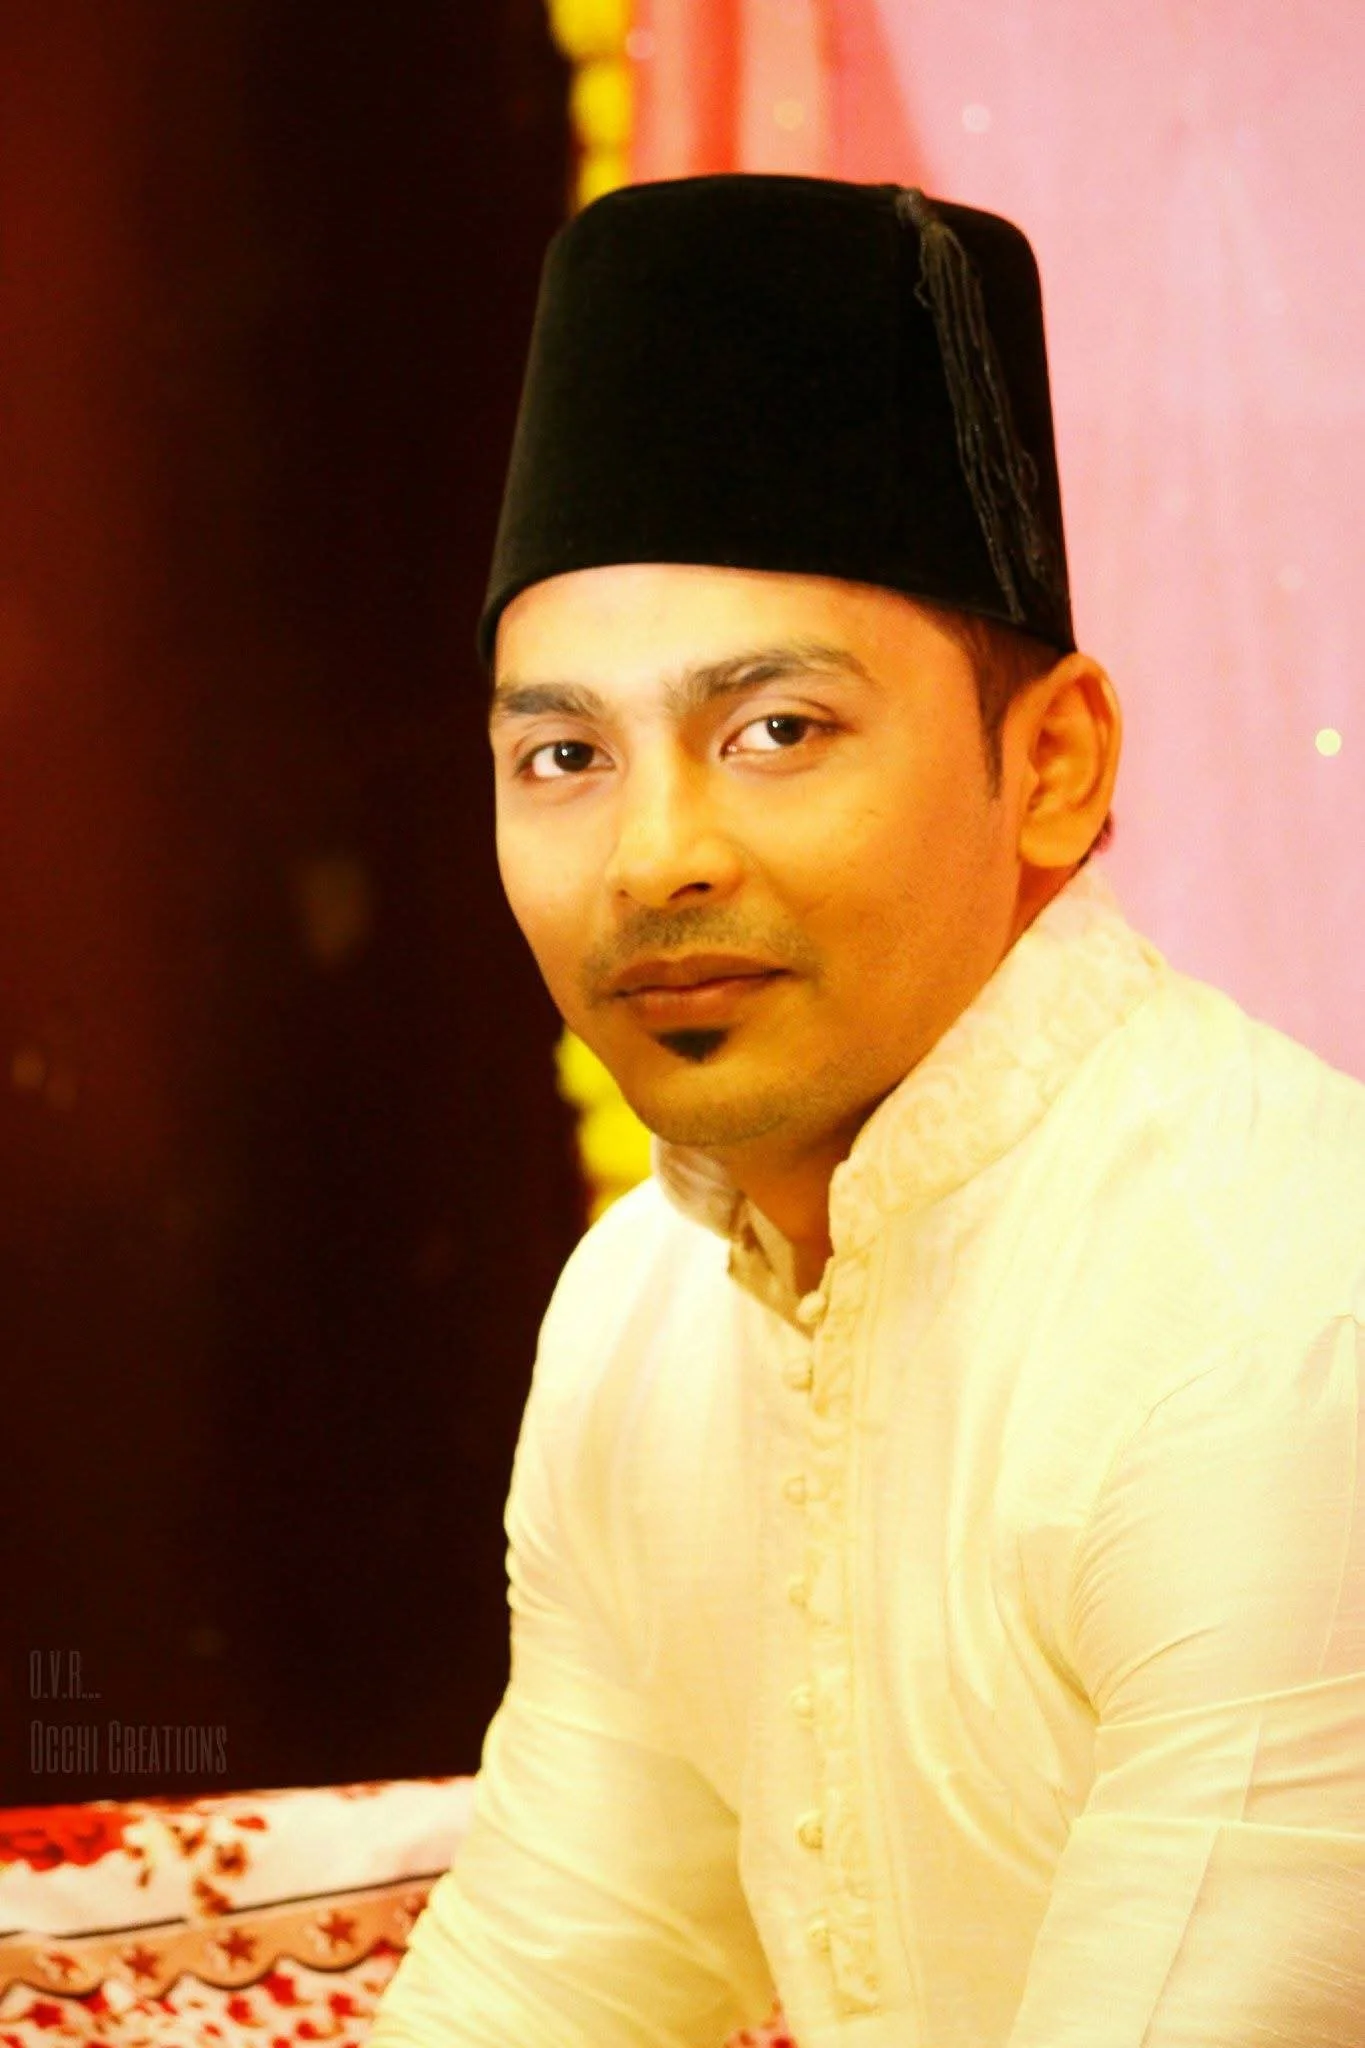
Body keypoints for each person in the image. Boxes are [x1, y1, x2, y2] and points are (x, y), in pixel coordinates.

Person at [371, 175, 1365, 2047]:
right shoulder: (636, 1322)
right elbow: (551, 1983)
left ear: (1053, 765)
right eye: (563, 755)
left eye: (776, 732)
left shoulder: (1285, 1331)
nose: (655, 855)